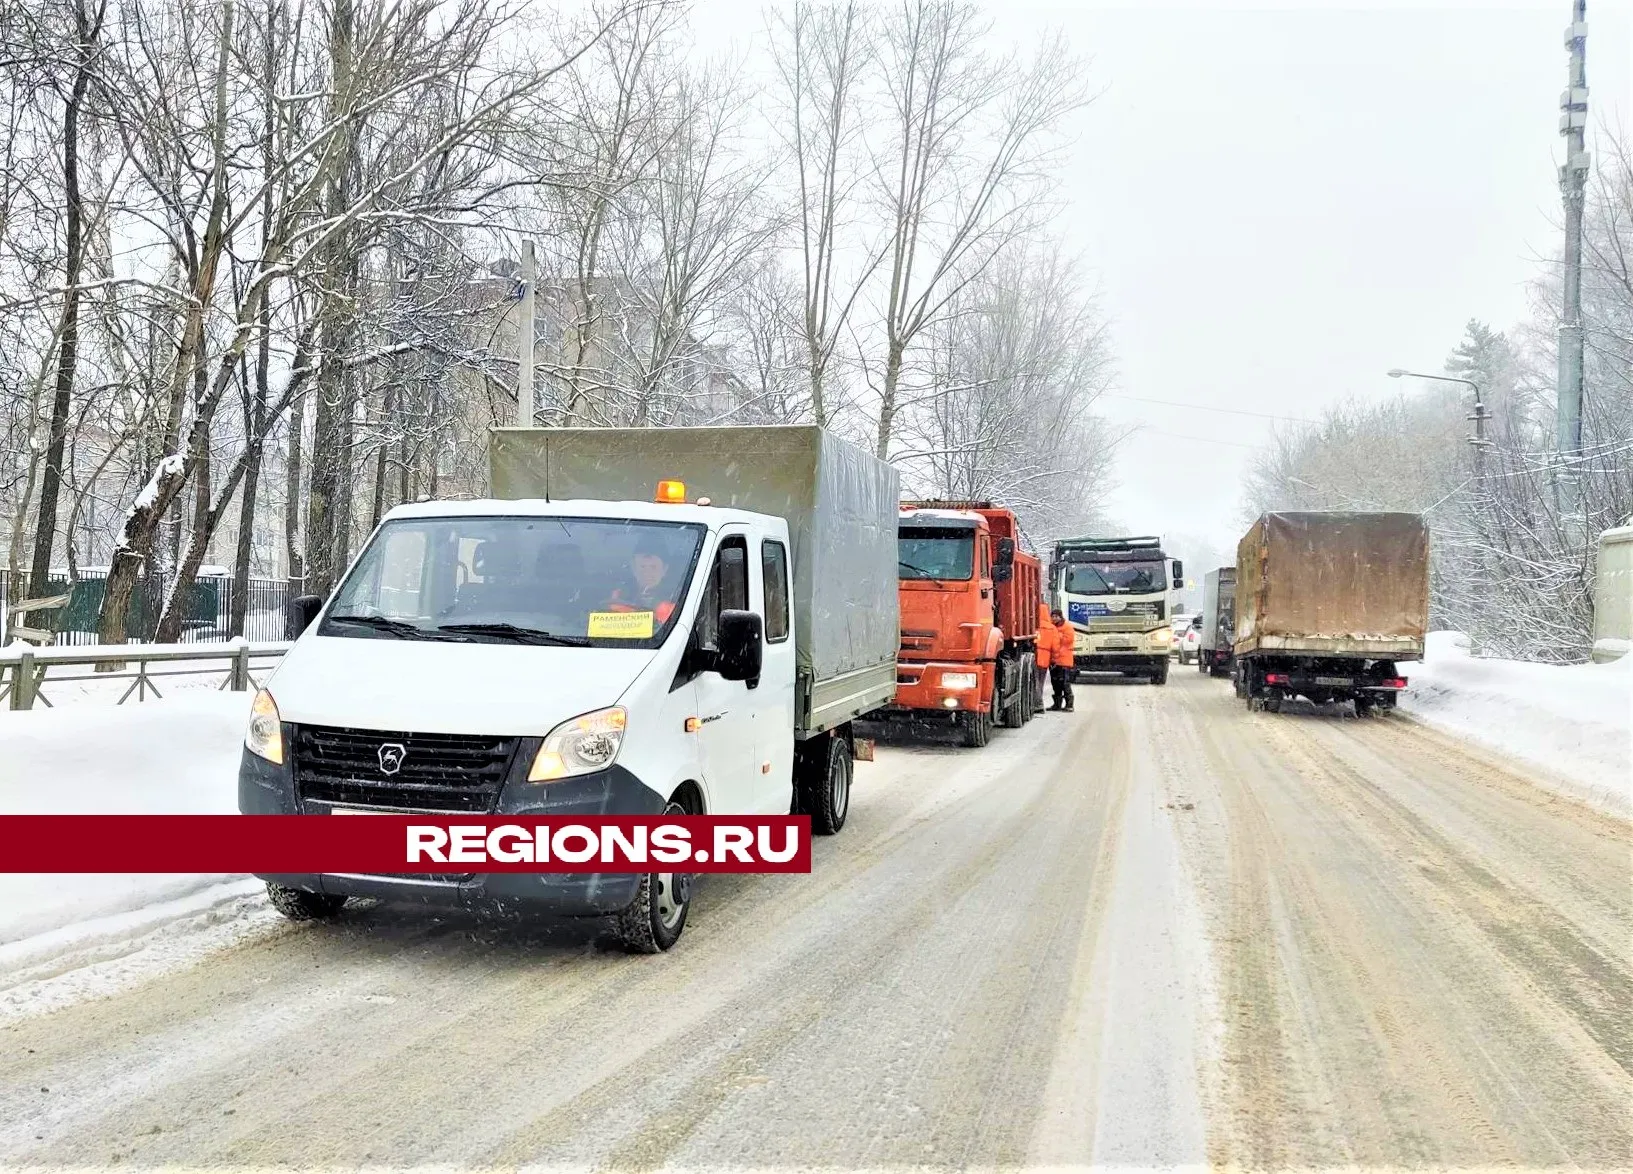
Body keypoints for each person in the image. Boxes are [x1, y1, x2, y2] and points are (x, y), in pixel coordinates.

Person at [605, 539, 680, 624]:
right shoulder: (620, 597)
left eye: (653, 567)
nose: (647, 572)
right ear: (633, 568)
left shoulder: (679, 598)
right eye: (642, 567)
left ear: (664, 569)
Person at [1048, 608, 1075, 712]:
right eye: (1052, 616)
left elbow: (1068, 640)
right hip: (1054, 660)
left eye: (1056, 616)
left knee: (1064, 683)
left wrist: (1056, 637)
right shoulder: (1051, 627)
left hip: (1064, 660)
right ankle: (1057, 704)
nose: (1054, 618)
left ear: (1060, 616)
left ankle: (1069, 705)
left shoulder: (1067, 627)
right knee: (1055, 683)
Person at [1034, 600, 1055, 712]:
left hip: (1035, 655)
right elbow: (1055, 646)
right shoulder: (1052, 628)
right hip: (1045, 658)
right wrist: (1053, 659)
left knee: (1034, 681)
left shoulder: (1034, 626)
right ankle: (1039, 703)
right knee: (1040, 681)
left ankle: (1036, 703)